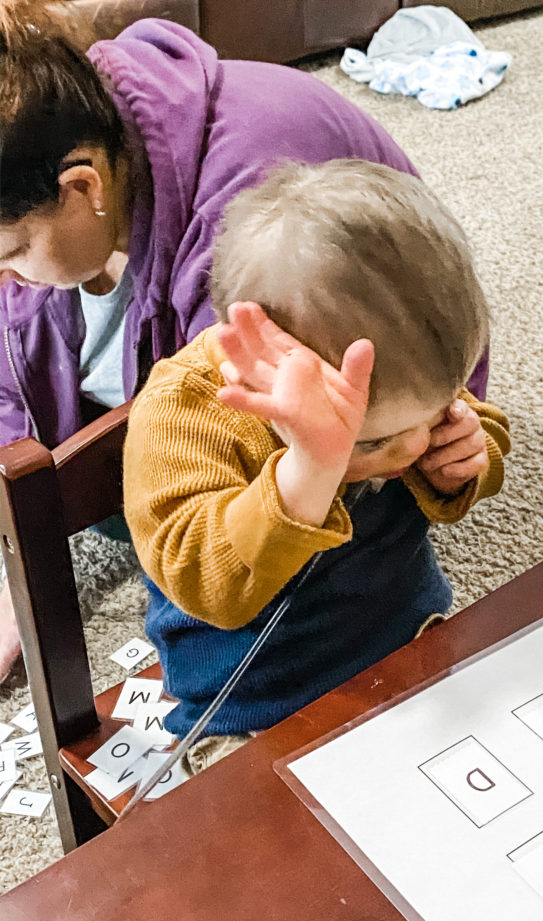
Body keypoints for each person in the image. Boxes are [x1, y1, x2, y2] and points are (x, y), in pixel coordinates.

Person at [0, 4, 487, 681]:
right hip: (245, 675)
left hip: (382, 409)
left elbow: (443, 403)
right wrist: (17, 536)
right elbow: (202, 567)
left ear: (83, 187)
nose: (8, 275)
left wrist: (460, 442)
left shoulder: (267, 247)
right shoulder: (189, 394)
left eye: (15, 249)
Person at [123, 159, 510, 771]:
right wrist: (308, 470)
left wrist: (467, 453)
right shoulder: (184, 412)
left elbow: (464, 430)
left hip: (407, 635)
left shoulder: (397, 380)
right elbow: (204, 584)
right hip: (256, 702)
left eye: (433, 412)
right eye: (373, 442)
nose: (412, 447)